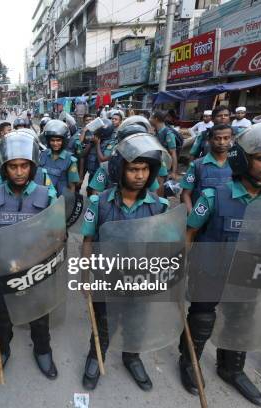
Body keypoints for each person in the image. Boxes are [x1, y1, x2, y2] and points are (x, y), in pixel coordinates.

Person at [178, 121, 261, 406]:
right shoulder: (213, 196)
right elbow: (190, 233)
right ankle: (189, 363)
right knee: (201, 321)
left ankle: (231, 369)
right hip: (210, 273)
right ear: (244, 158)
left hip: (251, 277)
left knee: (241, 322)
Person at [80, 133, 169, 391]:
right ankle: (95, 356)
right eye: (133, 169)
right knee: (104, 322)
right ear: (121, 170)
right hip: (107, 277)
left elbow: (165, 247)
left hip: (141, 279)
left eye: (144, 169)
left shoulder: (159, 206)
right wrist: (84, 278)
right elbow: (87, 240)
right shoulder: (99, 203)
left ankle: (132, 356)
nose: (139, 175)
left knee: (136, 321)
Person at [0, 132, 58, 380]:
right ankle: (0, 351)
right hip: (4, 271)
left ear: (33, 166)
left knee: (39, 316)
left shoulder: (47, 196)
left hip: (36, 270)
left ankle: (43, 350)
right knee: (2, 316)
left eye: (24, 165)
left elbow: (56, 236)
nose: (19, 172)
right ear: (4, 168)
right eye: (13, 166)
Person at [180, 124, 233, 213]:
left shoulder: (237, 164)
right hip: (202, 218)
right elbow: (185, 194)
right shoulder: (197, 165)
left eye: (226, 138)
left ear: (231, 139)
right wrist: (193, 218)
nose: (222, 142)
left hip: (228, 215)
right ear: (209, 140)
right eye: (217, 138)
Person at [39, 120, 80, 196]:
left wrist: (68, 203)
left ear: (63, 141)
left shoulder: (70, 160)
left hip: (60, 200)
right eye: (52, 140)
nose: (55, 143)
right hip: (42, 196)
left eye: (58, 140)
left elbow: (72, 187)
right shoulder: (43, 154)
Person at [149, 111, 178, 180]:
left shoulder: (168, 133)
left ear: (156, 119)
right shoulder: (155, 131)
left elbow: (173, 153)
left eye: (151, 118)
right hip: (156, 164)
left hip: (164, 167)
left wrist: (173, 172)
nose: (149, 119)